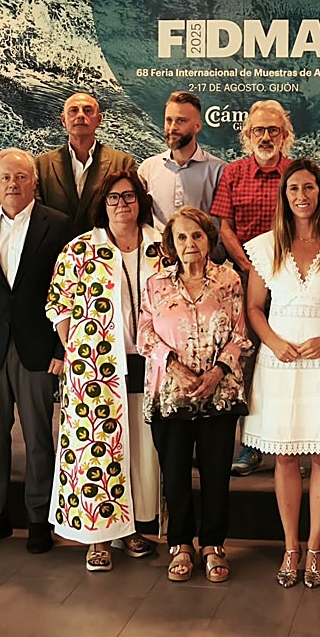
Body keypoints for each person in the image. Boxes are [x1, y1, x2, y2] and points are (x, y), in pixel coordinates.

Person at [241, 158, 320, 589]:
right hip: (281, 362)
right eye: (293, 188)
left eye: (309, 187)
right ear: (284, 195)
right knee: (285, 455)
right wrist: (273, 342)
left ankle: (314, 548)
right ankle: (290, 546)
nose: (301, 196)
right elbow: (254, 308)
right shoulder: (265, 247)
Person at [0, 148, 73, 555]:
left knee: (39, 437)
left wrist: (61, 347)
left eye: (21, 177)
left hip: (38, 349)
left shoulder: (58, 226)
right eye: (6, 177)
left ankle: (40, 518)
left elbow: (71, 292)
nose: (13, 184)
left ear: (34, 182)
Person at [46, 169, 163, 572]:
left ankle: (131, 529)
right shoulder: (81, 249)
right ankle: (98, 538)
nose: (122, 204)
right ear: (102, 204)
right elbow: (59, 306)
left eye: (129, 196)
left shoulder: (161, 245)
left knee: (140, 452)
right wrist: (78, 351)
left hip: (151, 365)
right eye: (113, 197)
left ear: (140, 201)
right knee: (97, 450)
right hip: (96, 371)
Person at [138, 206, 250, 583]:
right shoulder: (156, 284)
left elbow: (240, 334)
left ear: (209, 239)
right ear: (171, 244)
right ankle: (181, 543)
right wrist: (173, 366)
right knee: (175, 474)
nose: (190, 243)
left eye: (197, 235)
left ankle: (213, 544)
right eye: (182, 237)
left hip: (219, 394)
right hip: (171, 394)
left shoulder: (228, 280)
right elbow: (144, 334)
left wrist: (218, 371)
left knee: (217, 474)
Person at [210, 99, 294, 476]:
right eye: (258, 130)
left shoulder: (296, 173)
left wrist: (281, 270)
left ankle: (294, 443)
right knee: (247, 361)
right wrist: (248, 266)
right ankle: (251, 445)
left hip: (291, 281)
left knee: (290, 357)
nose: (265, 136)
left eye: (273, 130)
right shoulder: (233, 173)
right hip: (246, 279)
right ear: (247, 135)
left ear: (285, 135)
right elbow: (224, 228)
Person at [37, 92, 137, 232]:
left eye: (88, 110)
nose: (80, 115)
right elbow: (37, 217)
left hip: (105, 244)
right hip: (56, 244)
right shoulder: (41, 165)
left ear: (99, 120)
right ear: (63, 120)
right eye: (73, 110)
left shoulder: (122, 163)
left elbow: (129, 214)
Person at [138, 91, 226, 229]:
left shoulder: (219, 171)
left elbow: (225, 226)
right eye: (169, 120)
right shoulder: (147, 169)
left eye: (181, 121)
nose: (172, 127)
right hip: (159, 243)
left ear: (197, 126)